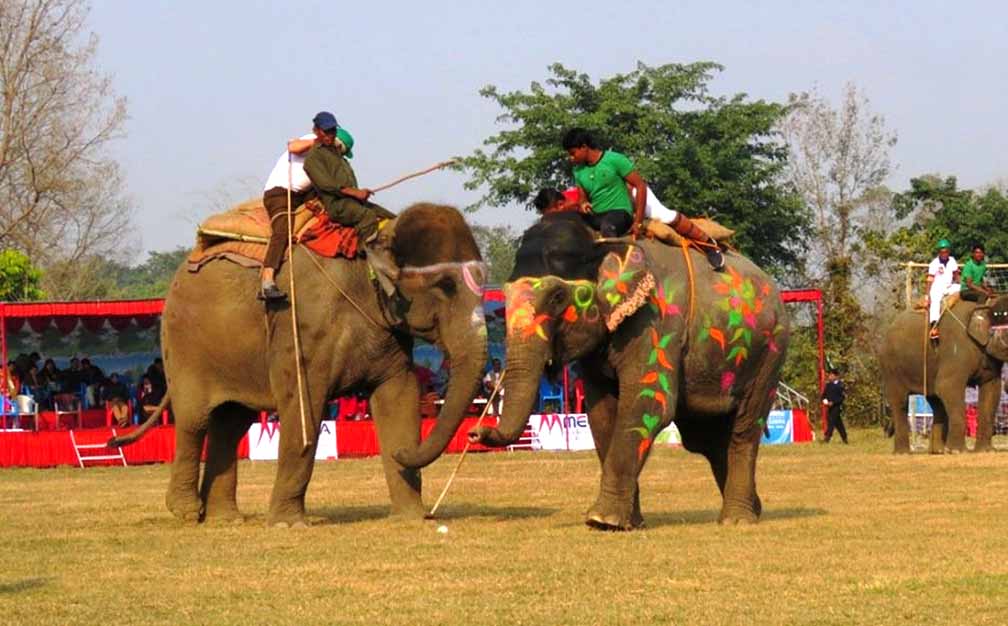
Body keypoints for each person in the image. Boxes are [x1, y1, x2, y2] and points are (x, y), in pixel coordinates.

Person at [561, 127, 725, 269]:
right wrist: (583, 204)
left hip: (629, 194)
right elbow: (583, 196)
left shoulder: (615, 160)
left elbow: (640, 185)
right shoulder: (578, 171)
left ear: (584, 147)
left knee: (663, 215)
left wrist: (638, 221)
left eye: (573, 153)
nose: (571, 158)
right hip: (603, 209)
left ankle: (709, 245)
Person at [302, 113, 396, 260]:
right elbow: (327, 185)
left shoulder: (336, 154)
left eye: (333, 130)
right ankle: (366, 259)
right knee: (368, 217)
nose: (331, 135)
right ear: (316, 131)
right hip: (337, 205)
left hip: (352, 200)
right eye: (327, 131)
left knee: (390, 216)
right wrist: (355, 193)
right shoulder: (313, 158)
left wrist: (360, 192)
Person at [258, 125, 320, 301]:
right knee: (282, 231)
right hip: (280, 194)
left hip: (300, 196)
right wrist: (318, 141)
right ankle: (267, 281)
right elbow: (293, 147)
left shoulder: (324, 157)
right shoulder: (312, 142)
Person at [926, 239, 960, 339]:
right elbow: (929, 279)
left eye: (946, 251)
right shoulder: (934, 263)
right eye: (942, 251)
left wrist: (960, 283)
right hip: (937, 287)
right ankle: (934, 327)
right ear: (939, 252)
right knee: (935, 301)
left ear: (949, 251)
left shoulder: (952, 260)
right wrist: (927, 296)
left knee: (962, 289)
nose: (944, 253)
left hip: (949, 286)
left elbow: (956, 275)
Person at [821, 369, 847, 444]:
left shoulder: (840, 385)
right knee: (838, 423)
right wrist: (826, 402)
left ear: (836, 376)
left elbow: (842, 397)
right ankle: (844, 437)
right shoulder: (828, 385)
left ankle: (827, 437)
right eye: (829, 375)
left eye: (832, 375)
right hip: (829, 407)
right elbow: (823, 396)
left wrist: (834, 402)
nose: (830, 377)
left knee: (831, 421)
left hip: (837, 407)